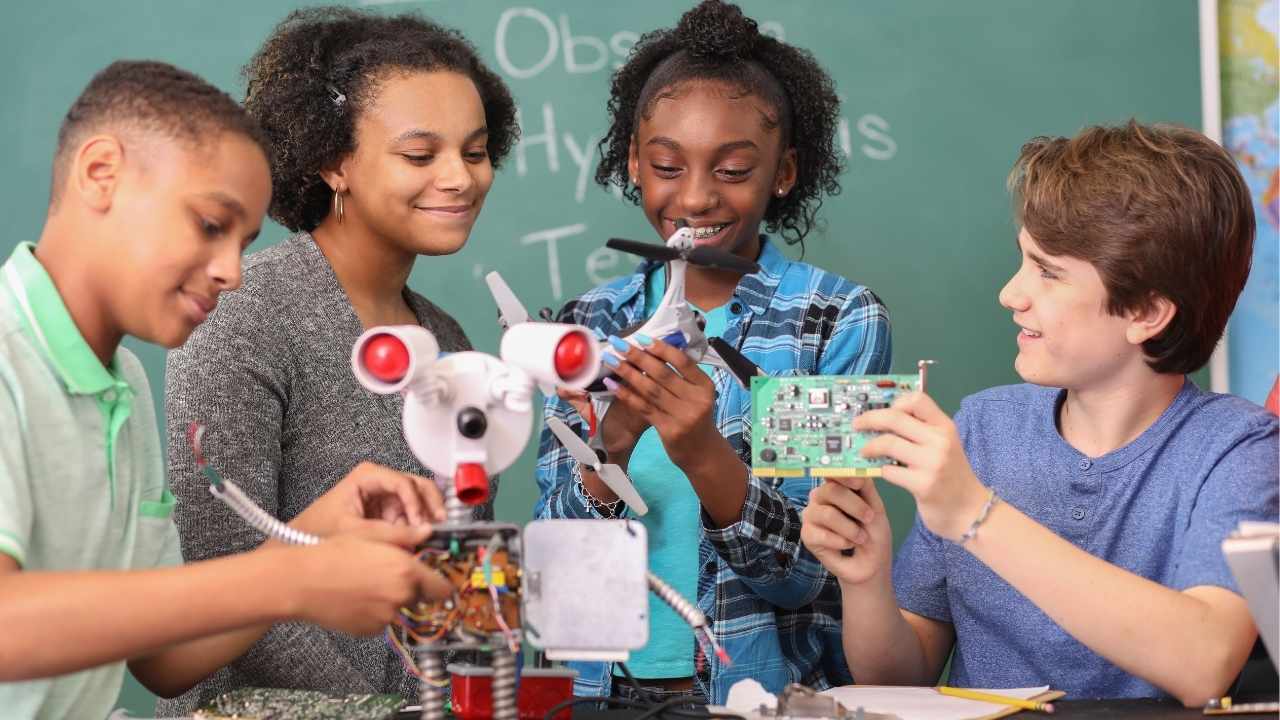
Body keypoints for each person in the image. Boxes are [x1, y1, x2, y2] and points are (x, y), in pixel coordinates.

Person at [0, 60, 452, 720]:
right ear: (100, 174)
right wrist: (291, 577)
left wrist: (312, 534)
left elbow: (165, 659)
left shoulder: (124, 384)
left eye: (244, 243)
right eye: (212, 225)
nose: (232, 273)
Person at [801, 121, 1279, 705]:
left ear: (1146, 313)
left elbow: (1204, 661)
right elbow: (901, 679)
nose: (1011, 293)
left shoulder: (1238, 448)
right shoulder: (983, 429)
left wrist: (975, 514)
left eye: (1048, 272)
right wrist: (865, 581)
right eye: (1023, 260)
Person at [160, 6, 521, 713]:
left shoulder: (451, 346)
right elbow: (219, 578)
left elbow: (462, 582)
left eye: (475, 153)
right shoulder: (244, 316)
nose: (459, 178)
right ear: (333, 162)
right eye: (420, 155)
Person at [535, 0, 891, 704]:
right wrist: (610, 446)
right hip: (595, 694)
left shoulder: (833, 321)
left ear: (783, 172)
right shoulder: (587, 322)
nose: (695, 198)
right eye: (668, 165)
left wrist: (702, 452)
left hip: (756, 699)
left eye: (731, 170)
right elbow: (559, 575)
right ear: (634, 162)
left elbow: (812, 571)